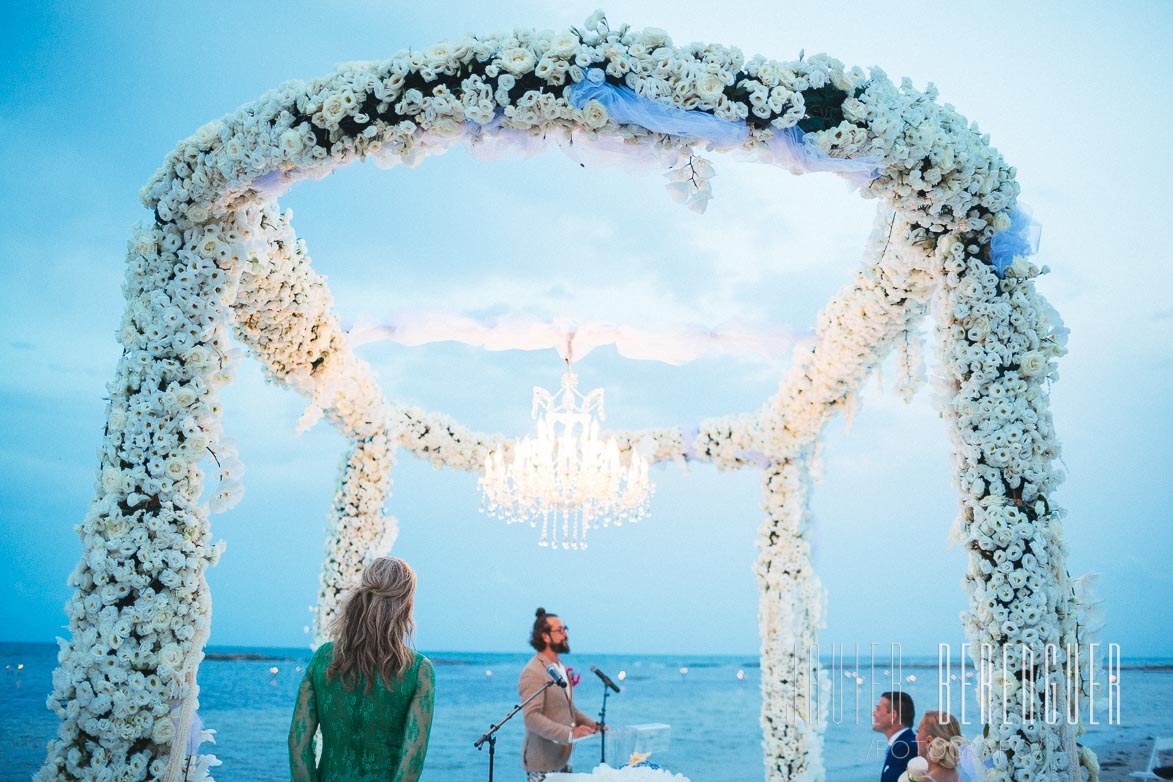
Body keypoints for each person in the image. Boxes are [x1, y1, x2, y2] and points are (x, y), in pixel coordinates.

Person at [288, 557, 434, 782]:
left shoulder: (323, 658)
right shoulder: (417, 670)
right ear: (407, 604)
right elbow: (412, 759)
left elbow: (298, 743)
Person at [519, 608, 601, 781]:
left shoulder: (559, 666)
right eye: (560, 630)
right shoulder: (534, 671)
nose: (565, 634)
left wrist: (592, 724)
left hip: (564, 758)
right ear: (545, 636)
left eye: (565, 629)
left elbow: (566, 705)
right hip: (543, 764)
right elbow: (531, 717)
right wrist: (571, 734)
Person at [873, 690, 918, 782]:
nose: (873, 713)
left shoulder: (904, 748)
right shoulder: (903, 744)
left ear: (893, 715)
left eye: (878, 709)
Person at [914, 710, 964, 782]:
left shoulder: (927, 780)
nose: (916, 738)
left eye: (917, 732)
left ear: (929, 741)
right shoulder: (960, 775)